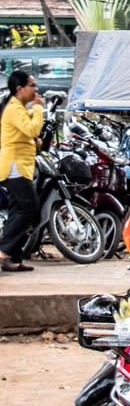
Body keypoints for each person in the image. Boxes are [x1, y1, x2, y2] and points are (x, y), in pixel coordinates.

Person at [0, 70, 44, 272]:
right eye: (32, 85)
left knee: (17, 210)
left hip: (21, 165)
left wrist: (34, 141)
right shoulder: (14, 109)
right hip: (14, 166)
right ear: (20, 89)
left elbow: (26, 134)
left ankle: (13, 259)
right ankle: (4, 251)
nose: (35, 89)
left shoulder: (18, 107)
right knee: (30, 208)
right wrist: (38, 109)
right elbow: (32, 129)